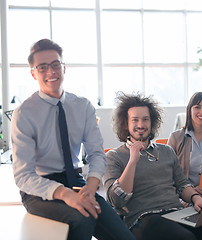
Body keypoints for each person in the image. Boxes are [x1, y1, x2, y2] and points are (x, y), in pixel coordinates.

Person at [11, 39, 134, 240]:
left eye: (55, 64)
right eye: (43, 67)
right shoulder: (24, 113)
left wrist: (92, 186)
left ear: (64, 68)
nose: (51, 72)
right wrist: (64, 194)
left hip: (77, 183)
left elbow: (96, 154)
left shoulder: (82, 106)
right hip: (39, 189)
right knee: (82, 218)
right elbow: (23, 176)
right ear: (33, 73)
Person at [103, 92, 202, 240]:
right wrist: (132, 161)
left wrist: (196, 198)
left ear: (152, 122)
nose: (141, 125)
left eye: (145, 119)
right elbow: (116, 200)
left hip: (177, 213)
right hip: (145, 219)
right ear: (125, 123)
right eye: (135, 120)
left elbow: (182, 184)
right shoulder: (114, 156)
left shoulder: (166, 151)